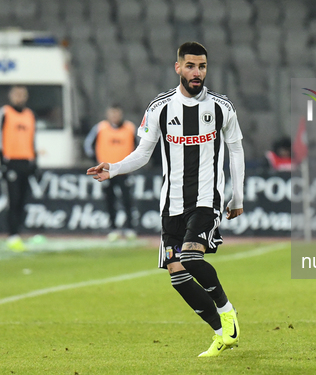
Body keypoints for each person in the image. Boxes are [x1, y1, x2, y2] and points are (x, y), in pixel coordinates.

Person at [87, 42, 245, 358]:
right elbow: (143, 153)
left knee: (190, 257)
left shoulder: (220, 107)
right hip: (171, 204)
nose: (196, 72)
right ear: (178, 68)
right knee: (177, 274)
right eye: (190, 66)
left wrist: (236, 196)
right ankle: (220, 333)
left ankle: (227, 312)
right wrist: (114, 168)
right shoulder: (159, 107)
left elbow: (236, 149)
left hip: (205, 198)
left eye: (201, 66)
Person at [84, 105, 137, 240]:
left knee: (127, 200)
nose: (114, 116)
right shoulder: (100, 128)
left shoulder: (130, 128)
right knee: (110, 200)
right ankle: (113, 228)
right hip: (106, 171)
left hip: (124, 170)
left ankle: (130, 228)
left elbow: (140, 147)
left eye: (117, 113)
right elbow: (88, 146)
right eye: (112, 114)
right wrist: (96, 161)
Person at [0, 85, 37, 252]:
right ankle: (12, 234)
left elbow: (32, 139)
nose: (19, 98)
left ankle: (18, 233)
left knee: (23, 199)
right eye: (17, 95)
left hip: (25, 162)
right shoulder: (5, 113)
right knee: (13, 199)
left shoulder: (29, 115)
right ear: (11, 96)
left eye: (22, 95)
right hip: (10, 161)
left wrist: (35, 161)